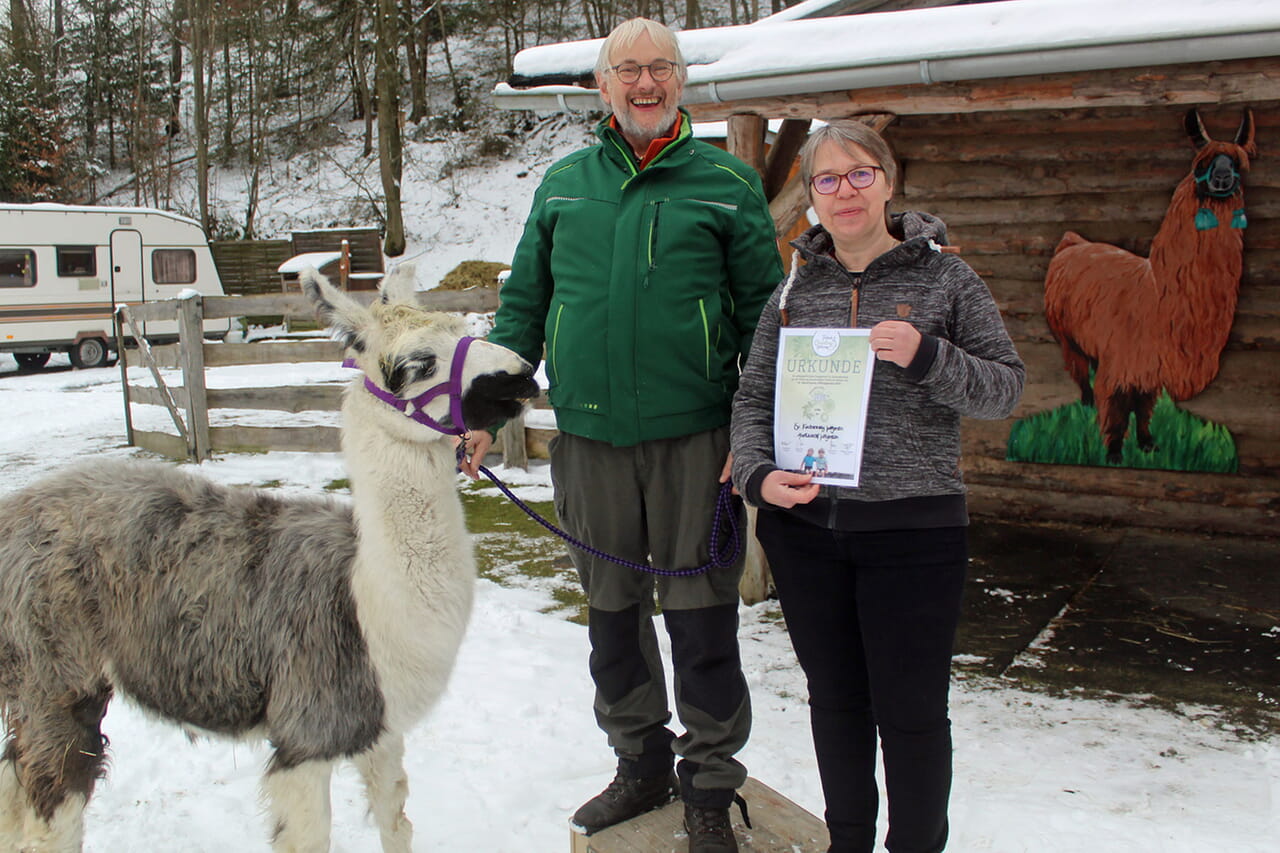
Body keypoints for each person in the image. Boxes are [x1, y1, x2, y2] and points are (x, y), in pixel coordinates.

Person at [461, 17, 783, 853]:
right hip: (590, 444)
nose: (646, 83)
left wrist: (750, 435)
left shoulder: (726, 184)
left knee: (701, 617)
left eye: (661, 68)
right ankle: (639, 758)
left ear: (683, 82)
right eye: (628, 70)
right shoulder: (564, 185)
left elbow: (764, 324)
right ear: (602, 87)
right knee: (612, 615)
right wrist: (489, 414)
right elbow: (524, 309)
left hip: (696, 443)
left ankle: (709, 783)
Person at [730, 120, 1025, 853]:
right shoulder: (793, 289)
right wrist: (760, 474)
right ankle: (848, 843)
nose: (844, 192)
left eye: (859, 174)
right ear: (811, 197)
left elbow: (1007, 389)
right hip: (808, 536)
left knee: (913, 714)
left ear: (889, 182)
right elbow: (751, 398)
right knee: (836, 705)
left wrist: (930, 356)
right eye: (826, 180)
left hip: (913, 535)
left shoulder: (946, 279)